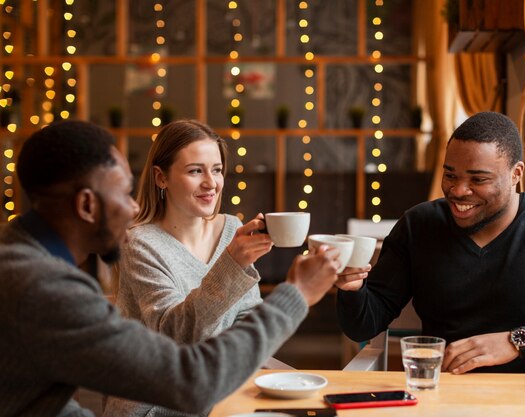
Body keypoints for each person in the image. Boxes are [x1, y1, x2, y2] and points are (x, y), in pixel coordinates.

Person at [0, 120, 340, 417]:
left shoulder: (21, 261)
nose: (133, 207)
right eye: (124, 193)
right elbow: (192, 381)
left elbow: (41, 401)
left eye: (217, 169)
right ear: (87, 204)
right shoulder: (45, 289)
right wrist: (296, 294)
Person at [336, 111, 525, 374]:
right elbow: (364, 324)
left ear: (516, 174)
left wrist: (519, 340)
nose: (459, 190)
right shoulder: (419, 225)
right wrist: (353, 290)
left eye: (478, 179)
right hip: (444, 391)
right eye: (450, 175)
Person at [103, 120, 275, 416]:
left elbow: (248, 316)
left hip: (221, 393)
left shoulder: (232, 228)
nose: (211, 183)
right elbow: (176, 336)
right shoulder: (139, 243)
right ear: (161, 178)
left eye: (217, 169)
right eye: (196, 170)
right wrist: (232, 264)